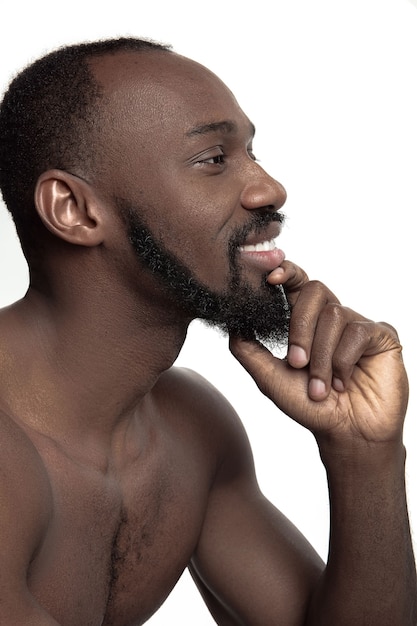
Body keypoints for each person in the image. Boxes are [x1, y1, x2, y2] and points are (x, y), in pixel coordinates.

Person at [0, 36, 415, 626]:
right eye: (213, 159)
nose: (269, 189)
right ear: (74, 209)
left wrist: (366, 455)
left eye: (250, 152)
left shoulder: (190, 430)